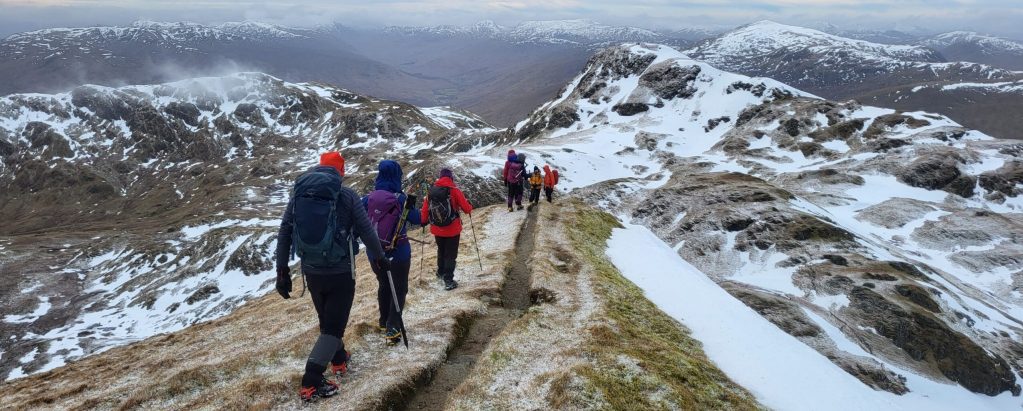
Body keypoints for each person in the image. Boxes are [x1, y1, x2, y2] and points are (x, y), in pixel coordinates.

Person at [275, 151, 388, 402]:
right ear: (341, 172)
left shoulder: (298, 195)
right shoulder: (347, 196)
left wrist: (282, 271)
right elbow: (367, 232)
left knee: (328, 320)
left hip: (312, 272)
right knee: (333, 328)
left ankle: (339, 359)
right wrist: (380, 258)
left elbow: (284, 232)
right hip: (340, 272)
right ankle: (311, 382)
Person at [362, 160, 421, 346]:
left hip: (375, 253)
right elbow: (418, 219)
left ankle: (382, 321)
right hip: (399, 252)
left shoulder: (367, 199)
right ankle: (393, 327)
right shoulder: (401, 199)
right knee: (400, 287)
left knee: (384, 285)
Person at [421, 168, 473, 290]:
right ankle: (448, 280)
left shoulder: (431, 192)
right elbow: (466, 208)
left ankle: (440, 272)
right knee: (450, 254)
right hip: (452, 229)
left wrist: (423, 222)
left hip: (437, 228)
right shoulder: (454, 190)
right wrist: (470, 207)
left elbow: (425, 209)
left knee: (441, 249)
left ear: (440, 177)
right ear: (451, 178)